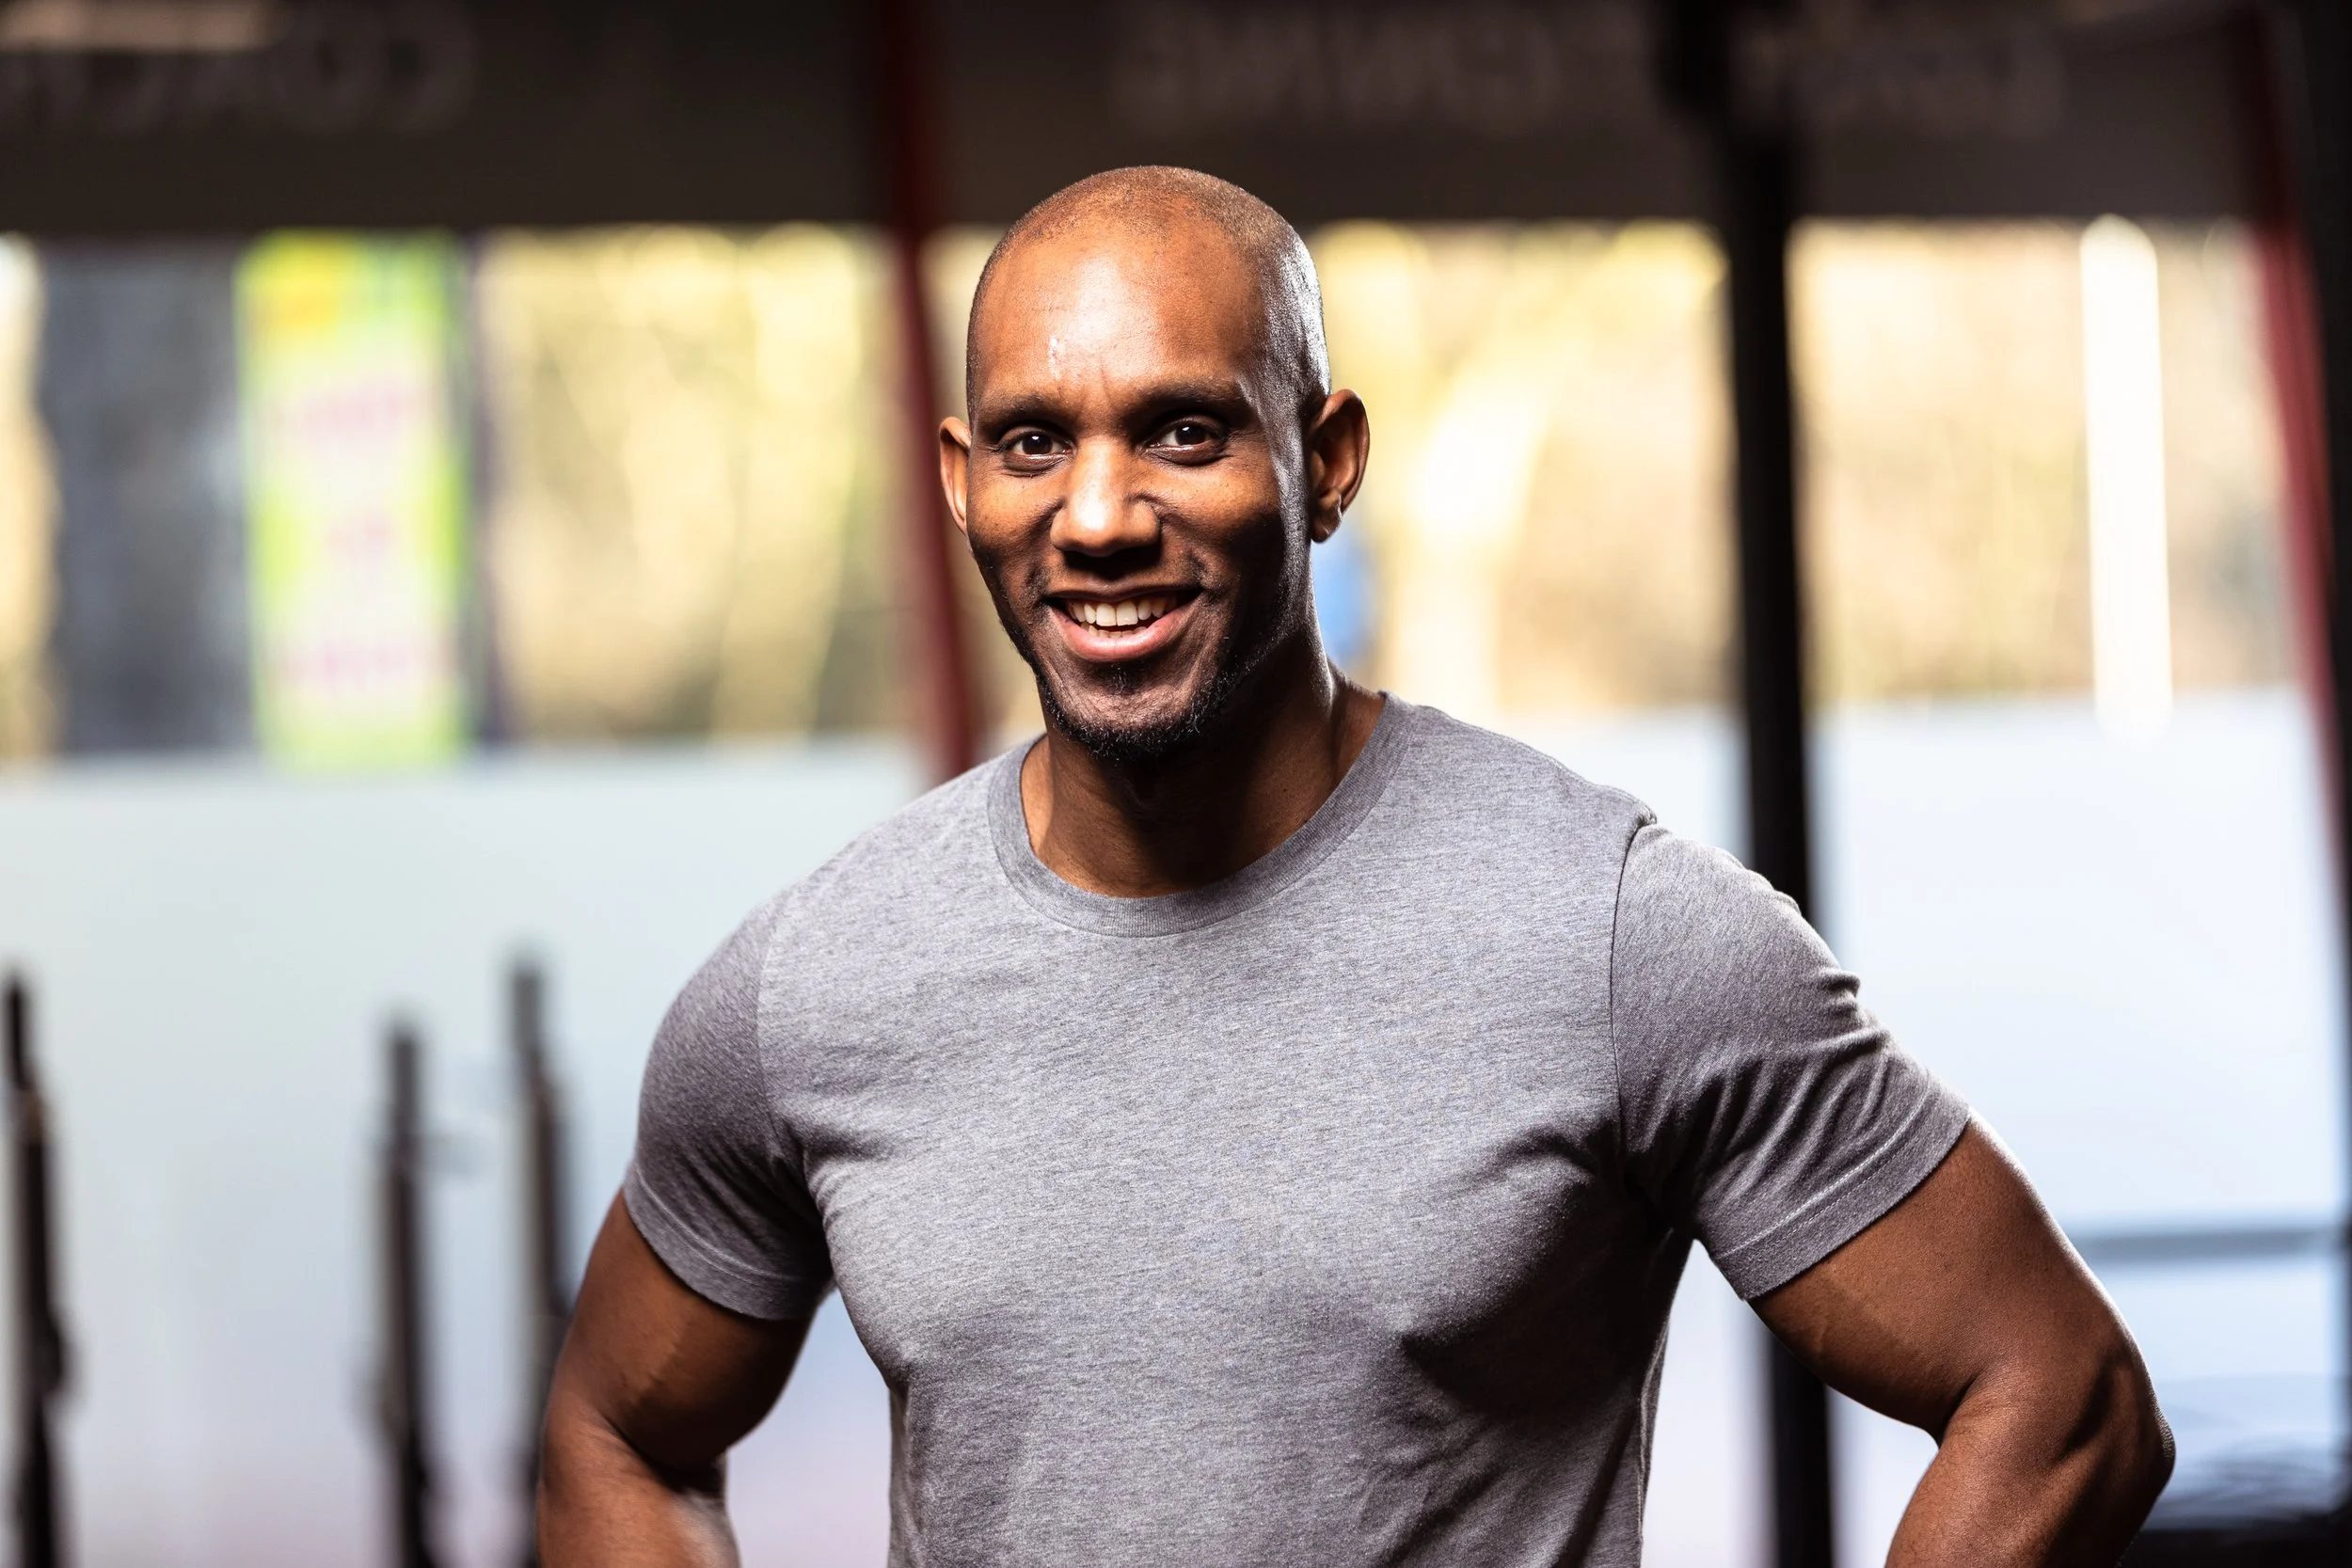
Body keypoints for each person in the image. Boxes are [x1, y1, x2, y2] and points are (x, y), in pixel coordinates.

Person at [537, 166, 2171, 1567]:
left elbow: (2063, 1394)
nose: (1098, 515)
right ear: (962, 484)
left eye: (1182, 430)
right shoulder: (814, 982)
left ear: (1325, 463)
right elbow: (616, 1427)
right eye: (1034, 445)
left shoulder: (1615, 931)